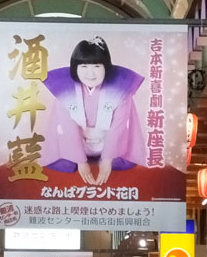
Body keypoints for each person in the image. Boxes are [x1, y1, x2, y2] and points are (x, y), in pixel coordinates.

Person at [40, 37, 146, 185]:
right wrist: (81, 161)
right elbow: (67, 128)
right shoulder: (64, 90)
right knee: (63, 163)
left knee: (123, 162)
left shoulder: (121, 89)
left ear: (106, 66)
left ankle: (108, 156)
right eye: (83, 66)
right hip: (78, 142)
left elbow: (118, 127)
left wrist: (108, 158)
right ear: (75, 68)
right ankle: (77, 157)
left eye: (96, 66)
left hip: (107, 142)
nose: (90, 73)